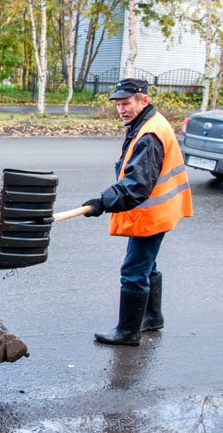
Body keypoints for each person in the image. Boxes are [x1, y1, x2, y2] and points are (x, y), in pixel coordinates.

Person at [82, 78, 193, 346]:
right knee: (147, 265)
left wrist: (103, 201)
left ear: (144, 100)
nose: (121, 109)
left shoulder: (150, 134)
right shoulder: (147, 123)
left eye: (127, 103)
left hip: (151, 213)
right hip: (156, 209)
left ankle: (128, 332)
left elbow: (136, 185)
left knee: (133, 270)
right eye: (118, 104)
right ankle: (152, 317)